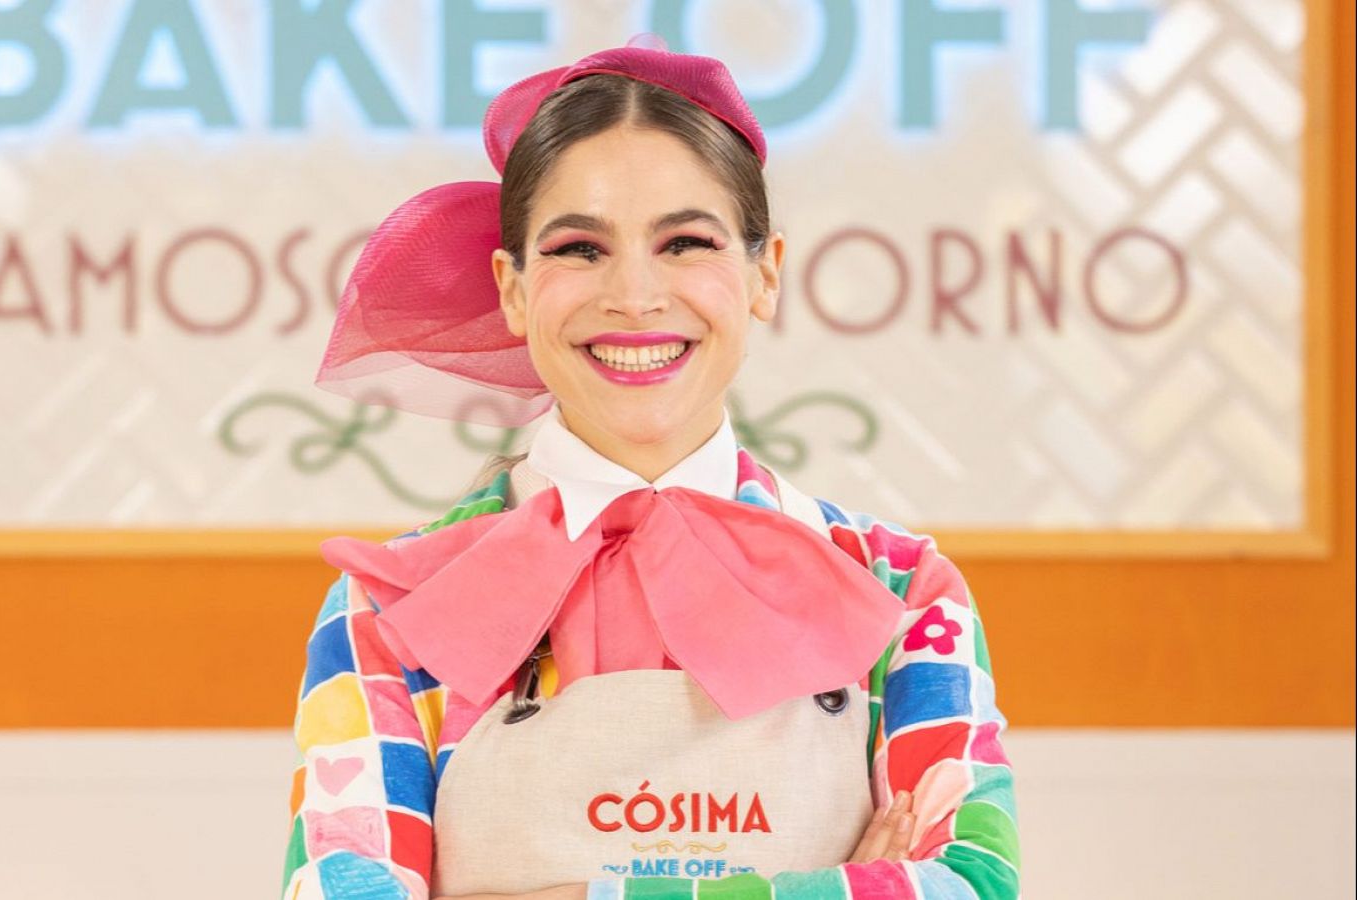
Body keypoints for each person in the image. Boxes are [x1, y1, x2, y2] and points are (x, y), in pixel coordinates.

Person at [283, 36, 1019, 900]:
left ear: (764, 275)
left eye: (686, 243)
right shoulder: (391, 609)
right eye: (577, 250)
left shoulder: (902, 592)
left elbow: (971, 881)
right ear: (514, 289)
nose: (633, 296)